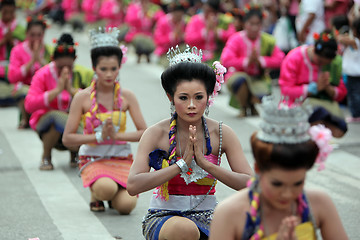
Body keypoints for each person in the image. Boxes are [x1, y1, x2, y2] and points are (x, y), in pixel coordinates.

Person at [127, 45, 253, 239]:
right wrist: (180, 164)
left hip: (210, 217)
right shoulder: (156, 133)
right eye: (183, 98)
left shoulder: (222, 133)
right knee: (185, 230)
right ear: (170, 97)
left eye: (199, 97)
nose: (192, 105)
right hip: (165, 218)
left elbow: (251, 184)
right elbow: (133, 185)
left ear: (209, 96)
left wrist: (204, 164)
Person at [209, 95, 348, 240]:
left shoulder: (319, 203)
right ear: (257, 169)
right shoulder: (230, 213)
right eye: (277, 184)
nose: (287, 194)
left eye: (298, 183)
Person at [62, 28, 147, 213]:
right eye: (103, 69)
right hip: (93, 158)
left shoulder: (127, 97)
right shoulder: (82, 98)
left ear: (119, 68)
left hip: (121, 158)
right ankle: (98, 192)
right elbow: (67, 138)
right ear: (94, 68)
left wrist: (116, 135)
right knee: (106, 189)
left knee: (126, 207)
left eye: (113, 69)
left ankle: (110, 191)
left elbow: (144, 133)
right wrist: (98, 137)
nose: (109, 74)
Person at [24, 33, 93, 170]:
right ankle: (46, 156)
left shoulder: (82, 73)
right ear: (53, 60)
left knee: (80, 118)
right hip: (48, 124)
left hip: (74, 122)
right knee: (55, 117)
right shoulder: (43, 74)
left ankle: (75, 154)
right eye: (61, 67)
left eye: (69, 65)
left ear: (75, 60)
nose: (65, 70)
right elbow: (29, 105)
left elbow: (93, 102)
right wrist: (56, 91)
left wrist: (72, 90)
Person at [279, 30, 348, 138]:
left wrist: (328, 88)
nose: (322, 65)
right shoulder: (294, 57)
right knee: (316, 114)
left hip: (325, 104)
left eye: (326, 64)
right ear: (314, 50)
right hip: (298, 104)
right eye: (320, 62)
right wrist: (313, 89)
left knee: (340, 128)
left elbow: (342, 93)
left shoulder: (334, 63)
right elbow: (286, 91)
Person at [220, 4, 285, 117]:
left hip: (259, 77)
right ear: (245, 24)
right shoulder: (236, 39)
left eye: (257, 24)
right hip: (238, 74)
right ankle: (244, 107)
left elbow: (280, 59)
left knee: (263, 94)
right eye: (251, 24)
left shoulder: (267, 40)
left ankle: (252, 104)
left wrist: (260, 61)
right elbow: (225, 60)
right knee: (240, 80)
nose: (254, 27)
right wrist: (247, 61)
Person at [8, 15, 52, 129]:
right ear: (27, 34)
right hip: (26, 87)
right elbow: (12, 77)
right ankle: (25, 119)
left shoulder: (48, 51)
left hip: (44, 89)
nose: (36, 38)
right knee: (22, 91)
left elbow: (53, 74)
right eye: (32, 35)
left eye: (39, 35)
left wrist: (41, 61)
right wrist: (32, 62)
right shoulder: (18, 50)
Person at [0, 0, 26, 107]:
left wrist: (12, 41)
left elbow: (24, 50)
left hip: (13, 68)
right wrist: (4, 40)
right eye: (5, 12)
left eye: (11, 12)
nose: (8, 15)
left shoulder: (20, 29)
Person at [337, 17, 360, 122]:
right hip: (353, 73)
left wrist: (342, 34)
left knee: (354, 94)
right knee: (353, 94)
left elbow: (340, 39)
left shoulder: (355, 42)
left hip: (355, 74)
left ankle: (356, 114)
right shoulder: (353, 41)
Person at [153, 0, 187, 67]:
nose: (179, 18)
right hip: (165, 52)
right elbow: (157, 40)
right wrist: (173, 36)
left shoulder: (184, 23)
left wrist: (183, 36)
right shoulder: (163, 22)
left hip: (179, 51)